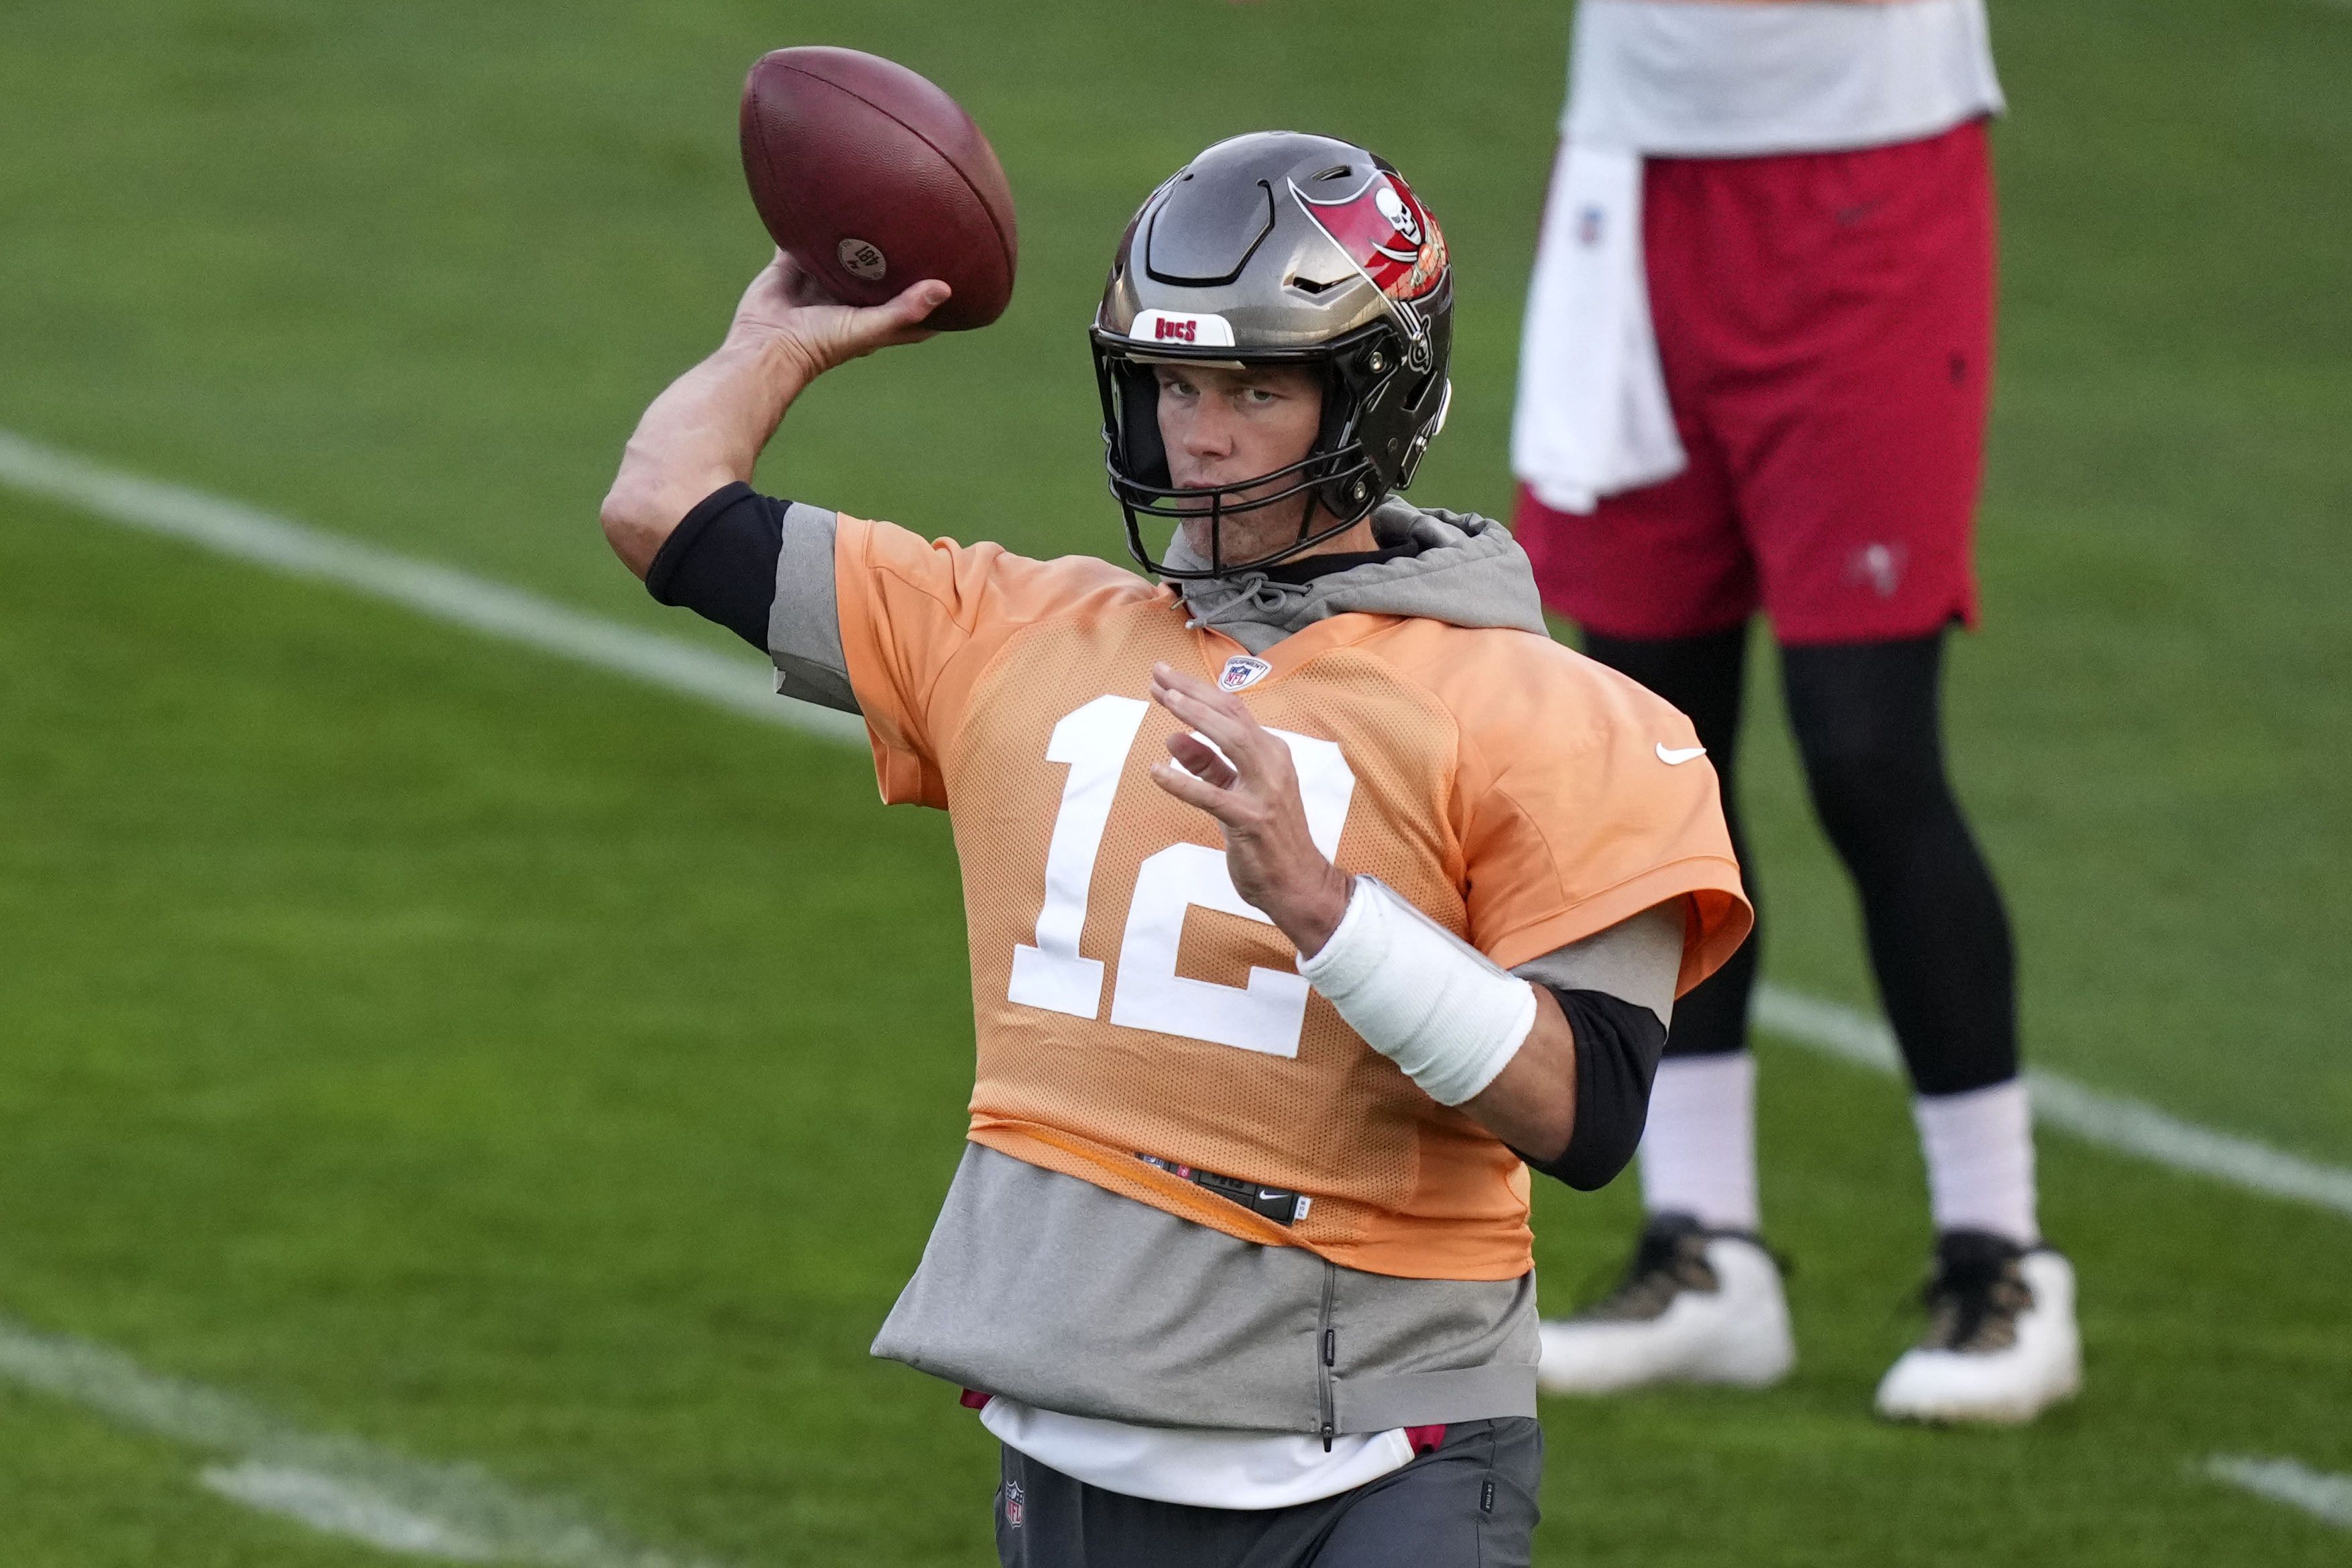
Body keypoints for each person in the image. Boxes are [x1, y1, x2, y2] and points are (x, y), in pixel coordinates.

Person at [601, 131, 1750, 1565]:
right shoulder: (1017, 630)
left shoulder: (1553, 718)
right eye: (1172, 385)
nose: (1196, 435)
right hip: (1073, 1451)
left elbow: (1587, 1115)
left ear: (1369, 399)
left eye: (1254, 389)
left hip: (1388, 1451)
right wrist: (772, 345)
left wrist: (1329, 913)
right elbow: (663, 508)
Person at [1508, 0, 2080, 1424]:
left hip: (1866, 184)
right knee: (1655, 759)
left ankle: (1999, 1255)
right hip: (1635, 184)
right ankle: (1702, 1248)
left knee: (1866, 752)